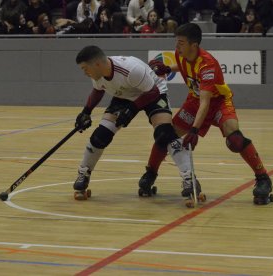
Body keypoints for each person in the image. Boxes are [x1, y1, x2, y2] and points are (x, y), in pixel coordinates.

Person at [144, 23, 273, 205]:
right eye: (176, 42)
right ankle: (149, 174)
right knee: (165, 136)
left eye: (181, 43)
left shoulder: (208, 65)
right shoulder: (180, 55)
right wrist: (167, 69)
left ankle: (263, 178)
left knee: (235, 139)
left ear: (194, 45)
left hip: (218, 103)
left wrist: (194, 130)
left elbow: (206, 102)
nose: (177, 46)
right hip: (194, 101)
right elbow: (183, 69)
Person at [73, 45, 203, 206]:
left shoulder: (130, 69)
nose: (84, 72)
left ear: (96, 64)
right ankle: (83, 173)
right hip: (124, 96)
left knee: (165, 134)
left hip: (152, 93)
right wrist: (86, 111)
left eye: (85, 68)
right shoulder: (97, 73)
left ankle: (189, 178)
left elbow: (152, 92)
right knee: (101, 136)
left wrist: (132, 109)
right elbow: (98, 90)